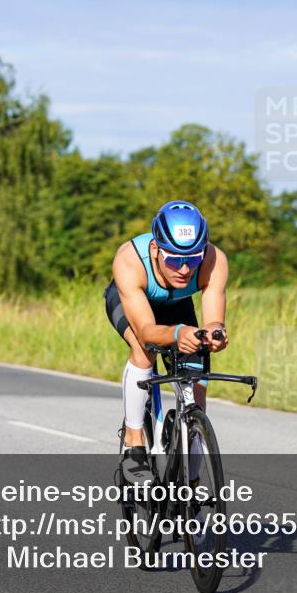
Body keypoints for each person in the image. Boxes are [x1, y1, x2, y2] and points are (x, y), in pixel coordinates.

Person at [104, 200, 229, 486]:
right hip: (135, 305)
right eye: (174, 260)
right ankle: (134, 443)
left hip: (177, 306)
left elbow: (213, 319)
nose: (184, 270)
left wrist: (215, 334)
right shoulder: (129, 260)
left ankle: (192, 484)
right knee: (143, 350)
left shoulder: (215, 260)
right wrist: (176, 334)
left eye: (193, 259)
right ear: (156, 249)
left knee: (196, 381)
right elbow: (147, 330)